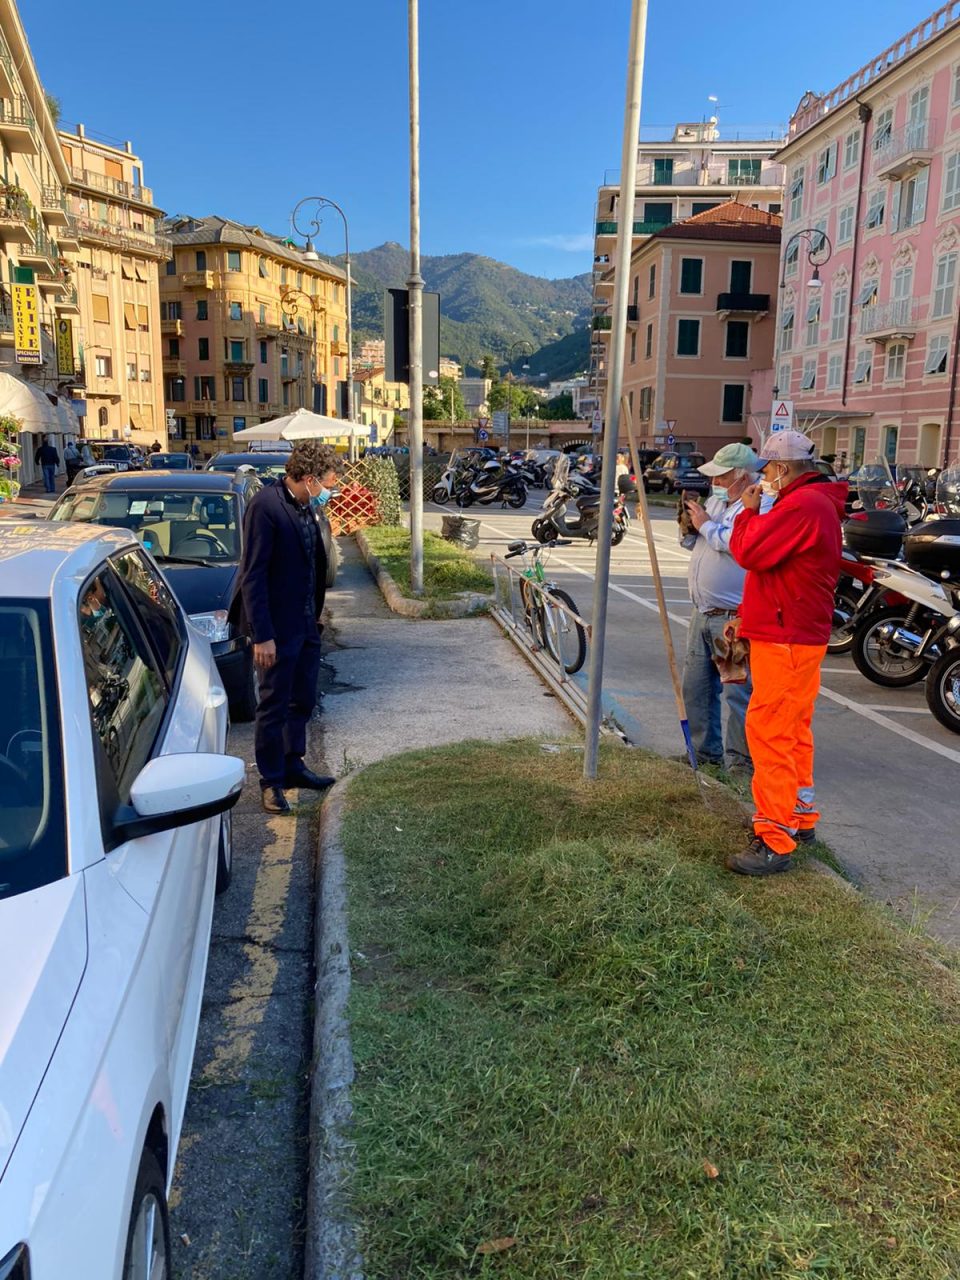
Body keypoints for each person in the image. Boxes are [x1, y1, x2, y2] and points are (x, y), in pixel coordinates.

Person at [725, 430, 847, 876]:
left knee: (770, 731)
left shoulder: (801, 505)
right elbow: (776, 570)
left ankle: (774, 837)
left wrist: (748, 512)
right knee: (792, 729)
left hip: (786, 635)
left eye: (768, 470)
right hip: (791, 630)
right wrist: (747, 616)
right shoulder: (813, 502)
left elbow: (749, 551)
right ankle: (798, 815)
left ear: (781, 469)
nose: (764, 479)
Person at [238, 439, 340, 814]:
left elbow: (311, 563)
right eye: (328, 483)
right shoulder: (266, 507)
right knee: (274, 706)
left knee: (303, 699)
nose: (330, 491)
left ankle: (293, 764)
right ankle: (271, 780)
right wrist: (262, 635)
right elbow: (253, 576)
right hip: (277, 629)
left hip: (306, 622)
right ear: (309, 478)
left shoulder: (306, 506)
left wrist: (315, 613)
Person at [679, 443, 771, 774]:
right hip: (703, 611)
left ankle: (740, 762)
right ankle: (705, 754)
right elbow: (701, 540)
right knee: (696, 688)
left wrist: (704, 524)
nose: (715, 483)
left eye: (721, 477)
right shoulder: (719, 500)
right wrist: (689, 526)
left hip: (733, 617)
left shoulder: (760, 504)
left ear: (741, 476)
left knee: (737, 692)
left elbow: (738, 544)